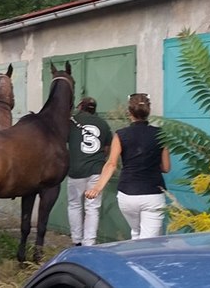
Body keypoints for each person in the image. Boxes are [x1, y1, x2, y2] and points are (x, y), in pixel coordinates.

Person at [85, 93, 171, 240]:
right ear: (148, 111)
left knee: (136, 232)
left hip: (127, 195)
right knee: (148, 241)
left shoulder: (120, 135)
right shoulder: (161, 134)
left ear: (129, 112)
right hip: (152, 194)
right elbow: (166, 168)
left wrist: (97, 188)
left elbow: (111, 164)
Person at [67, 97, 112, 246]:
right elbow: (107, 150)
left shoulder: (71, 121)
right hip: (96, 171)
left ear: (80, 106)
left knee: (74, 205)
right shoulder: (103, 124)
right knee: (92, 208)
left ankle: (76, 241)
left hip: (76, 171)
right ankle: (89, 242)